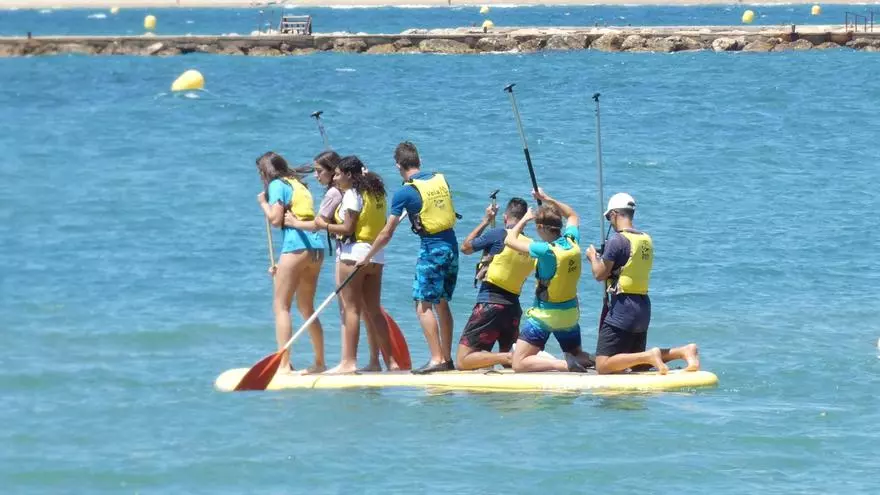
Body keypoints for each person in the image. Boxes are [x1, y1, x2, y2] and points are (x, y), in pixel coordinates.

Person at [358, 141, 459, 374]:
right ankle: (446, 357)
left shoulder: (404, 192)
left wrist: (368, 256)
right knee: (442, 302)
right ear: (419, 160)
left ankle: (436, 359)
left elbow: (387, 232)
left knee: (423, 305)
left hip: (432, 249)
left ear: (398, 166)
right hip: (451, 245)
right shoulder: (440, 180)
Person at [585, 193, 700, 374]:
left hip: (623, 308)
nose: (609, 222)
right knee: (637, 362)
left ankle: (651, 355)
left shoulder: (617, 240)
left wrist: (593, 258)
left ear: (614, 214)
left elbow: (600, 274)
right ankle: (683, 351)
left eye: (608, 218)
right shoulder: (646, 239)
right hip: (642, 306)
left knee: (602, 365)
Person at [309, 156, 397, 373]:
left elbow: (348, 228)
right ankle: (390, 363)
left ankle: (348, 362)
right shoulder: (377, 193)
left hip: (353, 256)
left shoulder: (352, 194)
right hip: (376, 256)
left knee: (351, 310)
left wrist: (323, 225)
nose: (335, 178)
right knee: (374, 311)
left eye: (338, 174)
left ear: (349, 175)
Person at [504, 188, 594, 373]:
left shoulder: (545, 250)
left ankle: (563, 364)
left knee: (518, 363)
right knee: (578, 354)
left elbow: (510, 240)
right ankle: (595, 360)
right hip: (570, 315)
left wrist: (524, 219)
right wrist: (547, 199)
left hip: (545, 316)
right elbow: (572, 215)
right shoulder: (572, 242)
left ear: (541, 228)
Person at [256, 151, 326, 375]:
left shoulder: (277, 185)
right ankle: (320, 362)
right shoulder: (299, 185)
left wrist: (263, 204)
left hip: (296, 247)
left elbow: (276, 220)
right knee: (306, 307)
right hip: (316, 248)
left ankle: (284, 365)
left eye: (260, 172)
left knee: (281, 306)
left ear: (266, 171)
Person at [456, 197, 534, 370]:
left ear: (505, 217)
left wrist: (486, 221)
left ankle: (509, 357)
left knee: (463, 360)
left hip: (490, 304)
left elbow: (465, 248)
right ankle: (509, 360)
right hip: (513, 309)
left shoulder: (498, 234)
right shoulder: (531, 245)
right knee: (498, 364)